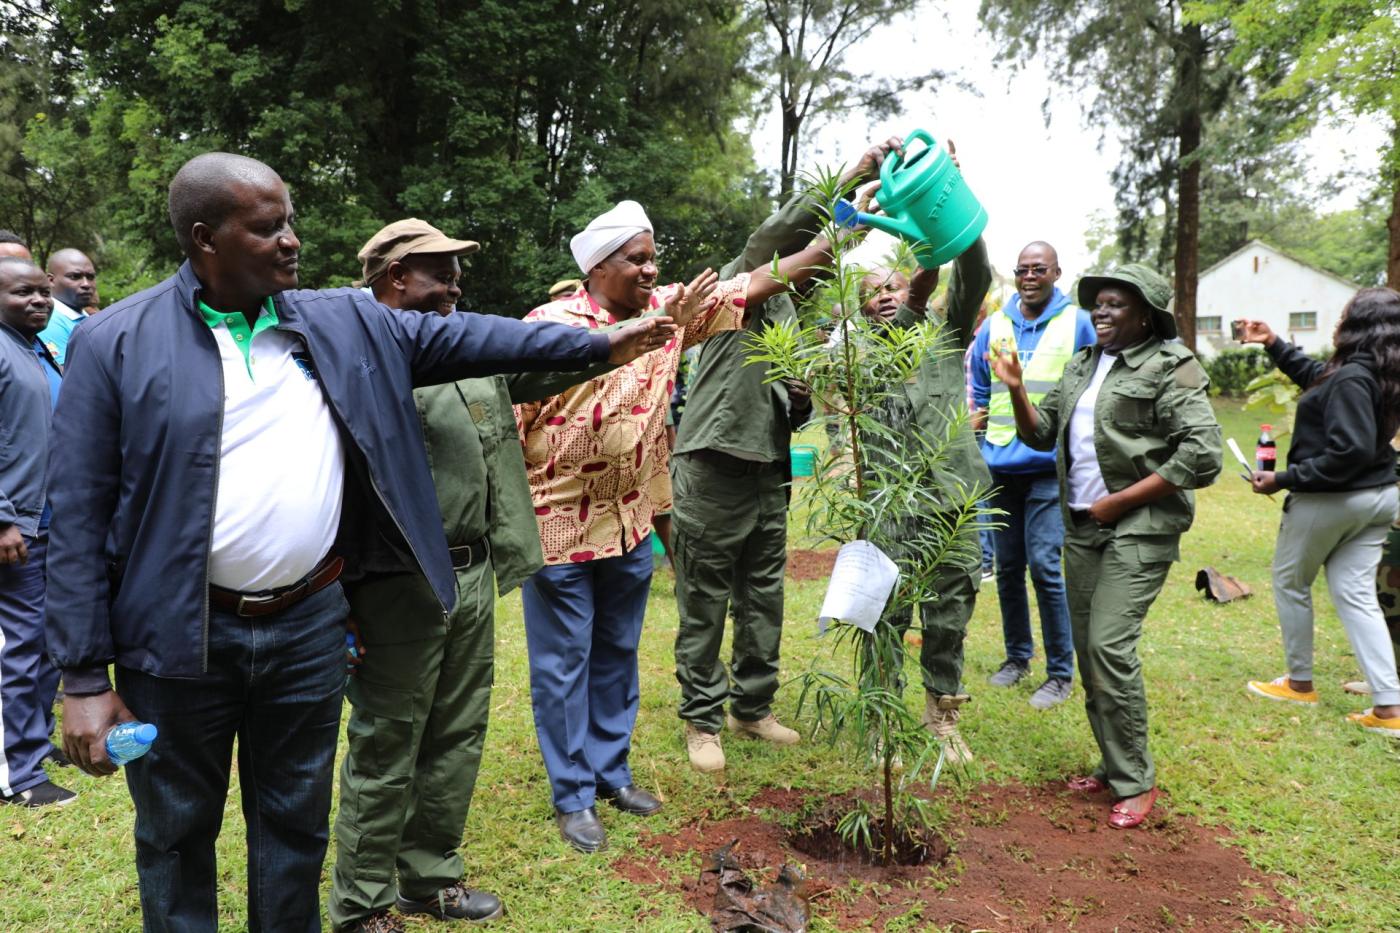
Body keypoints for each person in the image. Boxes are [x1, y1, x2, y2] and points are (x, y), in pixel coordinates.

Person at [44, 152, 672, 932]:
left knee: (295, 825)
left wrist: (598, 346)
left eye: (290, 221)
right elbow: (73, 514)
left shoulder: (342, 320)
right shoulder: (114, 342)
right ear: (205, 238)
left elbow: (473, 339)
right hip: (175, 637)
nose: (291, 241)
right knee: (175, 832)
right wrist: (79, 675)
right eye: (267, 227)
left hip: (306, 624)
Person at [328, 219, 653, 932]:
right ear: (393, 279)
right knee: (388, 742)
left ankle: (429, 879)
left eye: (456, 271)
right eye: (439, 272)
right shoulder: (358, 357)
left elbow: (549, 362)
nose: (455, 285)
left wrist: (625, 339)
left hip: (470, 575)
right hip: (398, 583)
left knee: (456, 735)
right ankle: (361, 904)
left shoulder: (467, 354)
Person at [514, 200, 839, 854]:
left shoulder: (669, 313)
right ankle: (573, 795)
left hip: (632, 523)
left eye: (652, 256)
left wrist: (838, 235)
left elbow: (761, 279)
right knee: (564, 664)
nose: (650, 267)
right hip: (561, 532)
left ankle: (611, 773)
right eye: (637, 257)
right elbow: (515, 425)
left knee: (615, 656)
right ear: (597, 265)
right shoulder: (548, 326)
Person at [670, 141, 899, 773]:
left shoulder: (789, 316)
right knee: (706, 600)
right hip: (712, 466)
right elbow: (785, 233)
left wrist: (795, 400)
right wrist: (851, 177)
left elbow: (772, 401)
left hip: (768, 471)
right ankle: (701, 719)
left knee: (764, 597)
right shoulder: (736, 285)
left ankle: (752, 706)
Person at [989, 264, 1221, 828]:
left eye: (1117, 304)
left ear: (1146, 313)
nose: (1102, 311)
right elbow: (1041, 434)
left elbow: (1202, 454)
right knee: (1091, 653)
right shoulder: (1083, 365)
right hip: (1082, 528)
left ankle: (1137, 780)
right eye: (1098, 303)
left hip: (1138, 526)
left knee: (1110, 647)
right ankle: (1113, 764)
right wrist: (1018, 391)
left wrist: (1119, 502)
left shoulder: (1172, 365)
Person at [854, 230, 993, 764]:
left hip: (953, 497)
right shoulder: (858, 354)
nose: (887, 294)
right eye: (874, 290)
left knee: (951, 610)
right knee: (885, 612)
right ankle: (881, 718)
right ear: (862, 305)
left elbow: (974, 277)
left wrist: (958, 222)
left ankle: (942, 715)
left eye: (896, 284)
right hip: (889, 506)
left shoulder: (947, 335)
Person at [1237, 290, 1400, 738]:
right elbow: (1316, 377)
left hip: (1334, 499)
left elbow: (1347, 452)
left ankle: (1299, 682)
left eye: (1347, 311)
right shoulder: (1375, 373)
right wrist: (1273, 343)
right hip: (1380, 496)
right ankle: (1389, 707)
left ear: (1357, 323)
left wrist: (1284, 479)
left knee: (1291, 581)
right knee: (1356, 595)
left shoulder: (1351, 378)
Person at [968, 242, 1095, 709]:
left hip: (1048, 468)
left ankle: (1060, 672)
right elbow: (980, 390)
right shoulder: (996, 324)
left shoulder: (1077, 323)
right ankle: (1017, 658)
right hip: (1000, 466)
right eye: (1021, 269)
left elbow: (1091, 387)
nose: (1028, 276)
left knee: (1045, 566)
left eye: (1038, 269)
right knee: (1006, 568)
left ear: (1057, 272)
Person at [0, 257, 68, 808]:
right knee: (19, 648)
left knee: (42, 643)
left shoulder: (32, 348)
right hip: (13, 527)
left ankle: (35, 747)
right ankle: (16, 773)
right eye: (23, 293)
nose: (39, 301)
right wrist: (2, 517)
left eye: (42, 292)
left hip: (45, 522)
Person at [38, 248, 99, 365]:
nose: (86, 284)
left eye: (90, 277)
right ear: (51, 280)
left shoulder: (83, 316)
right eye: (75, 277)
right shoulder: (50, 322)